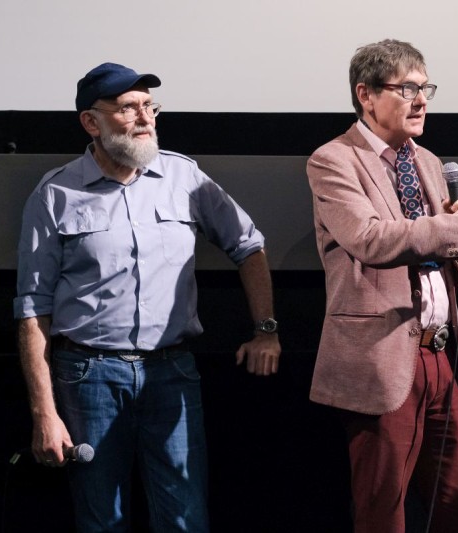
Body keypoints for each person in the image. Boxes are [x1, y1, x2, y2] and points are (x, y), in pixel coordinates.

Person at [14, 62, 281, 532]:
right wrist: (44, 413)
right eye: (127, 108)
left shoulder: (184, 177)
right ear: (91, 122)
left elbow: (249, 245)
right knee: (101, 521)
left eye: (149, 106)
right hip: (89, 377)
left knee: (185, 519)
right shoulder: (56, 193)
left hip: (171, 372)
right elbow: (34, 309)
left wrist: (265, 330)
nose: (144, 118)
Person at [306, 40, 458, 532]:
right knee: (382, 513)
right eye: (407, 89)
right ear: (366, 94)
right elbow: (371, 239)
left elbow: (447, 265)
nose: (421, 101)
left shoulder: (429, 162)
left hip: (442, 355)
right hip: (384, 359)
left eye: (425, 89)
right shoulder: (334, 160)